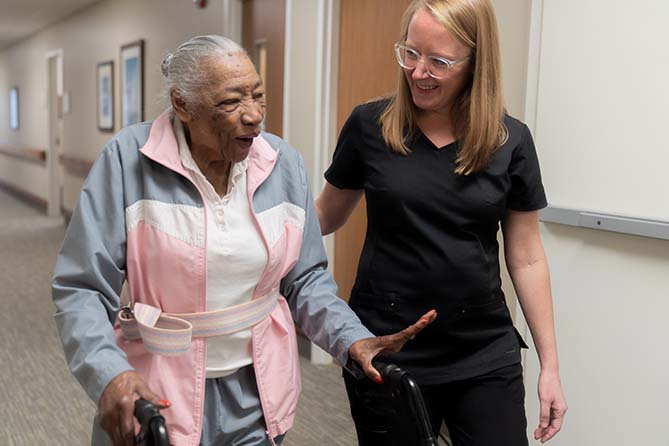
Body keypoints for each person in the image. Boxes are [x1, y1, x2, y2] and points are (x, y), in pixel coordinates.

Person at [52, 35, 436, 446]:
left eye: (258, 96)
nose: (254, 116)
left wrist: (351, 338)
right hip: (157, 391)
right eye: (231, 102)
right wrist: (111, 374)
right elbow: (83, 289)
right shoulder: (127, 161)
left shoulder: (282, 163)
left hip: (256, 394)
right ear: (183, 104)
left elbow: (305, 279)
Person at [315, 1, 567, 445]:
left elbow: (526, 258)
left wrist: (550, 366)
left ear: (476, 62)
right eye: (410, 53)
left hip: (483, 349)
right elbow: (325, 217)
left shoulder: (511, 141)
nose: (418, 72)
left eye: (439, 61)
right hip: (386, 346)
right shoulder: (370, 126)